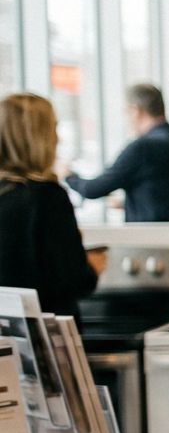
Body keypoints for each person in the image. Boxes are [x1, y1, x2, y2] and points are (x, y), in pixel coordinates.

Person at [0, 94, 102, 317]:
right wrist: (93, 265)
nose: (58, 139)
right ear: (40, 138)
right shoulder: (46, 198)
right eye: (54, 129)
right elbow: (73, 281)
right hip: (44, 336)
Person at [63, 83, 169, 221]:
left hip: (149, 240)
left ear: (136, 111)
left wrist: (69, 176)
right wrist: (127, 204)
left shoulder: (143, 148)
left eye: (126, 112)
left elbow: (92, 189)